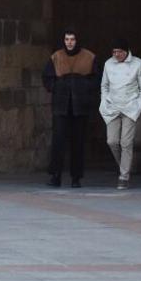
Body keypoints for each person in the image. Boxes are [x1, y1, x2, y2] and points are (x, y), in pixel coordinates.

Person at [43, 29, 100, 188]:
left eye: (72, 39)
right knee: (58, 141)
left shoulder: (89, 57)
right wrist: (57, 86)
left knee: (78, 142)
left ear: (77, 41)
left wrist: (82, 87)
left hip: (80, 106)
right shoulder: (56, 57)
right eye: (67, 39)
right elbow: (47, 77)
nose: (69, 42)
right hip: (61, 106)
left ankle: (76, 177)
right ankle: (56, 175)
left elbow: (96, 79)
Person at [99, 39, 141, 190]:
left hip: (130, 108)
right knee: (112, 141)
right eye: (114, 52)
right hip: (112, 108)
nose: (116, 55)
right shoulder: (109, 64)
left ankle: (124, 176)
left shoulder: (138, 64)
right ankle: (125, 165)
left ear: (126, 51)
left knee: (126, 142)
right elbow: (104, 85)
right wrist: (104, 101)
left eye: (119, 52)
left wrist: (139, 104)